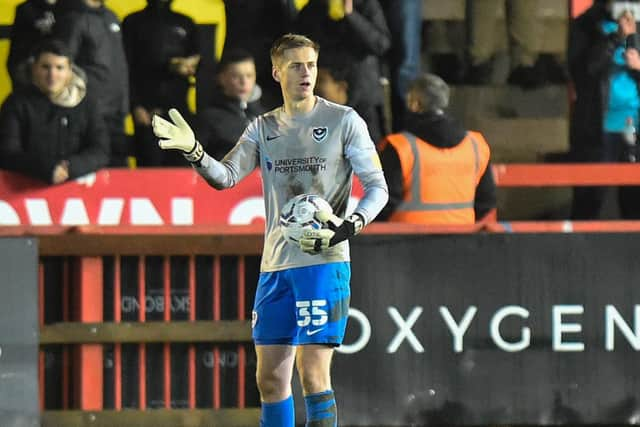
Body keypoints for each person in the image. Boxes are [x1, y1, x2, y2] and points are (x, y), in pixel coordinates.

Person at [152, 33, 388, 426]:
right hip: (276, 266)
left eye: (311, 64)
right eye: (296, 65)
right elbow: (226, 176)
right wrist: (194, 150)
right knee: (270, 378)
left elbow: (379, 188)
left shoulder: (344, 120)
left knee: (313, 374)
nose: (306, 72)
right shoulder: (262, 127)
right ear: (276, 72)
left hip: (323, 261)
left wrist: (349, 226)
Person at [377, 73, 496, 224]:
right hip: (460, 238)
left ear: (414, 103)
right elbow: (487, 201)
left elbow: (382, 202)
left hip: (406, 240)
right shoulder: (475, 145)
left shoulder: (399, 147)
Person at [0, 39, 110, 184]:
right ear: (34, 68)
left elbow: (101, 151)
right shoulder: (16, 103)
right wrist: (47, 169)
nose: (52, 74)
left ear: (70, 71)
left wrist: (70, 168)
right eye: (45, 67)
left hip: (77, 195)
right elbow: (7, 153)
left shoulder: (87, 104)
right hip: (24, 195)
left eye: (59, 68)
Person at [569, 0, 640, 219]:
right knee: (589, 201)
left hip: (634, 127)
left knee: (634, 204)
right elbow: (582, 73)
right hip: (597, 127)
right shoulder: (585, 26)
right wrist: (615, 38)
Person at [294, 0, 392, 144]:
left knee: (369, 152)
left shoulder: (366, 4)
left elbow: (381, 44)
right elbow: (299, 46)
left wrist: (351, 16)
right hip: (328, 95)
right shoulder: (314, 7)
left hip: (363, 94)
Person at [122, 0, 201, 167]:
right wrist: (135, 106)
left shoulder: (185, 22)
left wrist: (189, 65)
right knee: (149, 167)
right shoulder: (133, 22)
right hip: (146, 111)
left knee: (181, 166)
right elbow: (124, 68)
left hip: (179, 110)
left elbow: (200, 61)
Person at [54, 0, 129, 166]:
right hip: (92, 111)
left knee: (119, 167)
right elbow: (64, 65)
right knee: (95, 166)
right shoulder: (73, 18)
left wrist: (124, 103)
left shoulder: (111, 16)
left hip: (116, 110)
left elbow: (119, 64)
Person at [195, 48, 265, 160]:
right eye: (236, 76)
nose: (244, 82)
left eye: (249, 75)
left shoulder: (268, 116)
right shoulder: (209, 119)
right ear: (222, 78)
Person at [6, 0, 62, 88]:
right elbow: (16, 54)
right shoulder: (25, 9)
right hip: (31, 76)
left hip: (64, 78)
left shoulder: (72, 8)